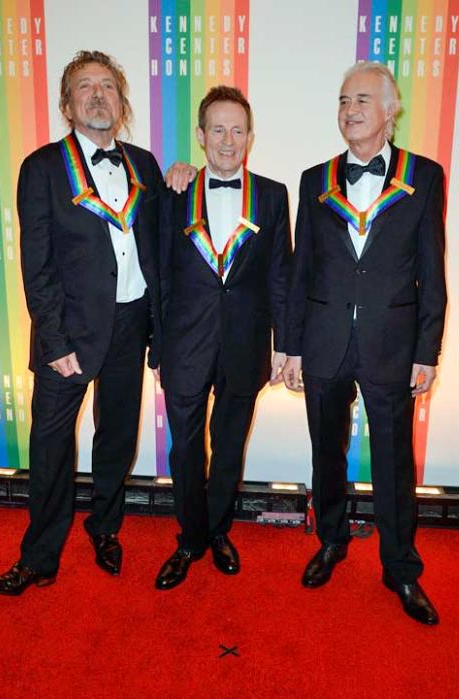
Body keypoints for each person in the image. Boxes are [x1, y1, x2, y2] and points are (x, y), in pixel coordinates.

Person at [0, 50, 165, 595]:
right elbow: (37, 264)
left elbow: (161, 246)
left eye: (108, 86)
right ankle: (40, 556)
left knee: (116, 437)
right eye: (85, 87)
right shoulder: (42, 167)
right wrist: (55, 338)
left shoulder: (145, 165)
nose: (98, 95)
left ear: (122, 101)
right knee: (50, 446)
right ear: (67, 104)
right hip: (66, 334)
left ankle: (105, 528)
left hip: (132, 321)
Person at [281, 61, 446, 625]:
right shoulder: (314, 179)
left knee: (395, 461)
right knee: (326, 450)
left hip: (393, 344)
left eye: (362, 100)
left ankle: (400, 567)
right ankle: (330, 540)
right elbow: (301, 269)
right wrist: (291, 343)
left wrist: (428, 349)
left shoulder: (424, 176)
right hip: (325, 340)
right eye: (343, 99)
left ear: (390, 111)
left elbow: (432, 269)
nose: (350, 109)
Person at [153, 86, 292, 589]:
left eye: (238, 130)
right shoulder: (173, 193)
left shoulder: (274, 195)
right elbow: (160, 273)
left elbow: (281, 275)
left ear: (251, 136)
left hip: (245, 345)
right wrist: (158, 342)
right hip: (185, 344)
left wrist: (284, 343)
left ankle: (217, 531)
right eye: (218, 129)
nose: (228, 141)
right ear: (200, 135)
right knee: (185, 450)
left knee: (229, 447)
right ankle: (189, 539)